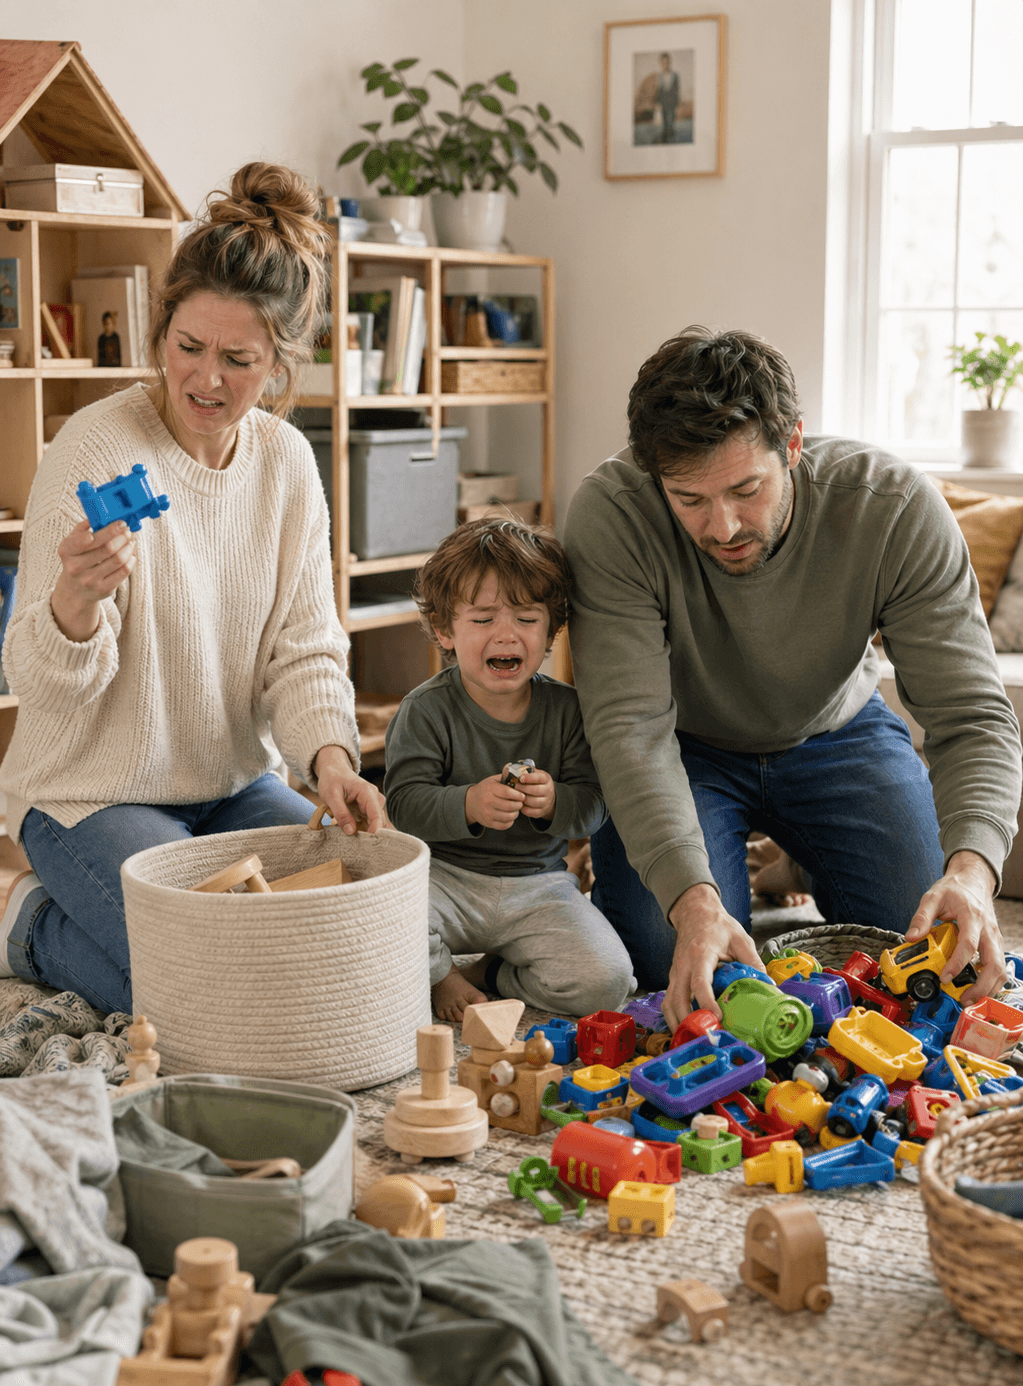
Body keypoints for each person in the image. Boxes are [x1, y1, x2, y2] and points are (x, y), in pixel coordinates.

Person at [0, 161, 385, 1016]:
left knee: (337, 947)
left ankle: (77, 926)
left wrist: (328, 758)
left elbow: (306, 645)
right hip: (90, 789)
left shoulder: (287, 464)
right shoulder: (93, 449)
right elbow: (33, 679)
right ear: (160, 331)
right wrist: (73, 608)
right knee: (205, 989)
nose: (206, 379)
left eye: (237, 359)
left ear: (281, 364)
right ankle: (27, 924)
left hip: (234, 784)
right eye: (188, 347)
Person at [562, 325, 1022, 1029]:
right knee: (669, 959)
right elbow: (627, 730)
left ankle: (798, 860)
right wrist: (692, 899)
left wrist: (971, 871)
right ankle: (748, 865)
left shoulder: (892, 507)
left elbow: (971, 715)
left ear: (794, 445)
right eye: (689, 499)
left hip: (836, 731)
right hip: (684, 748)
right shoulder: (612, 514)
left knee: (929, 943)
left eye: (746, 489)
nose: (722, 526)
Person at [384, 517, 635, 1022]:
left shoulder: (568, 711)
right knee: (378, 922)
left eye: (526, 618)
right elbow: (404, 804)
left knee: (608, 980)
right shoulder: (426, 708)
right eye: (482, 620)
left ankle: (493, 974)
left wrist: (555, 803)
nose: (506, 634)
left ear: (552, 631)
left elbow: (593, 808)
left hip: (538, 887)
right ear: (443, 630)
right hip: (444, 879)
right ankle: (442, 976)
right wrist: (468, 804)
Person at [655, 53, 680, 144]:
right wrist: (657, 103)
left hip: (672, 104)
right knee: (665, 124)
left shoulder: (675, 75)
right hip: (663, 103)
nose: (665, 65)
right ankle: (665, 141)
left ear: (670, 62)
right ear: (661, 64)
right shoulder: (660, 76)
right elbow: (659, 91)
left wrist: (677, 104)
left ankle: (671, 140)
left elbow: (677, 90)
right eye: (663, 63)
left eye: (667, 62)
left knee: (671, 123)